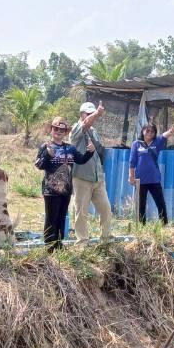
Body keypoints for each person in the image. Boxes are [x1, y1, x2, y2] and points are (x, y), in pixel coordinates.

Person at [35, 116, 94, 249]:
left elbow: (81, 160)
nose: (59, 131)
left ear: (66, 132)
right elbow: (39, 165)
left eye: (62, 129)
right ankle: (50, 246)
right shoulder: (46, 146)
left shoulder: (70, 148)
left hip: (66, 190)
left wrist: (90, 152)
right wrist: (47, 155)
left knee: (61, 218)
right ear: (51, 129)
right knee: (51, 218)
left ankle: (59, 244)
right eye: (56, 128)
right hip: (51, 190)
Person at [69, 101, 113, 243]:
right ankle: (82, 241)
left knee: (106, 209)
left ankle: (105, 238)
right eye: (88, 114)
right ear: (81, 114)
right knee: (81, 212)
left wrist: (100, 175)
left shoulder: (94, 131)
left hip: (97, 179)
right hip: (82, 177)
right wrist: (96, 113)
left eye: (92, 113)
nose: (92, 116)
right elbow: (85, 124)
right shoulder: (76, 129)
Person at [129, 122, 174, 225]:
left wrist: (170, 131)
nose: (150, 133)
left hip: (154, 180)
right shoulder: (136, 144)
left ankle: (164, 224)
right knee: (141, 205)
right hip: (140, 180)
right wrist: (131, 176)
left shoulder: (157, 143)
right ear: (143, 131)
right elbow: (132, 162)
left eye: (152, 131)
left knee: (160, 203)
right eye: (147, 131)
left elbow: (163, 136)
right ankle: (141, 226)